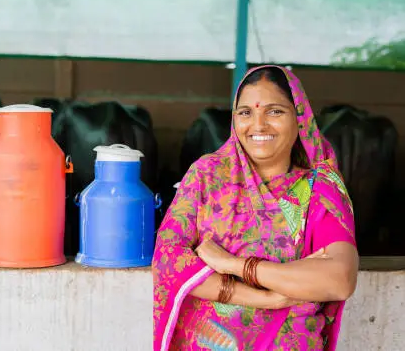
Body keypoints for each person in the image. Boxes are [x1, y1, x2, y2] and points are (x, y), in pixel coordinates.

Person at [152, 65, 359, 351]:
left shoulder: (319, 189)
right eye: (245, 112)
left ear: (299, 118)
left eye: (274, 111)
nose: (258, 125)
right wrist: (267, 298)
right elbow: (168, 261)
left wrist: (233, 265)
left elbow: (340, 279)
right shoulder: (206, 176)